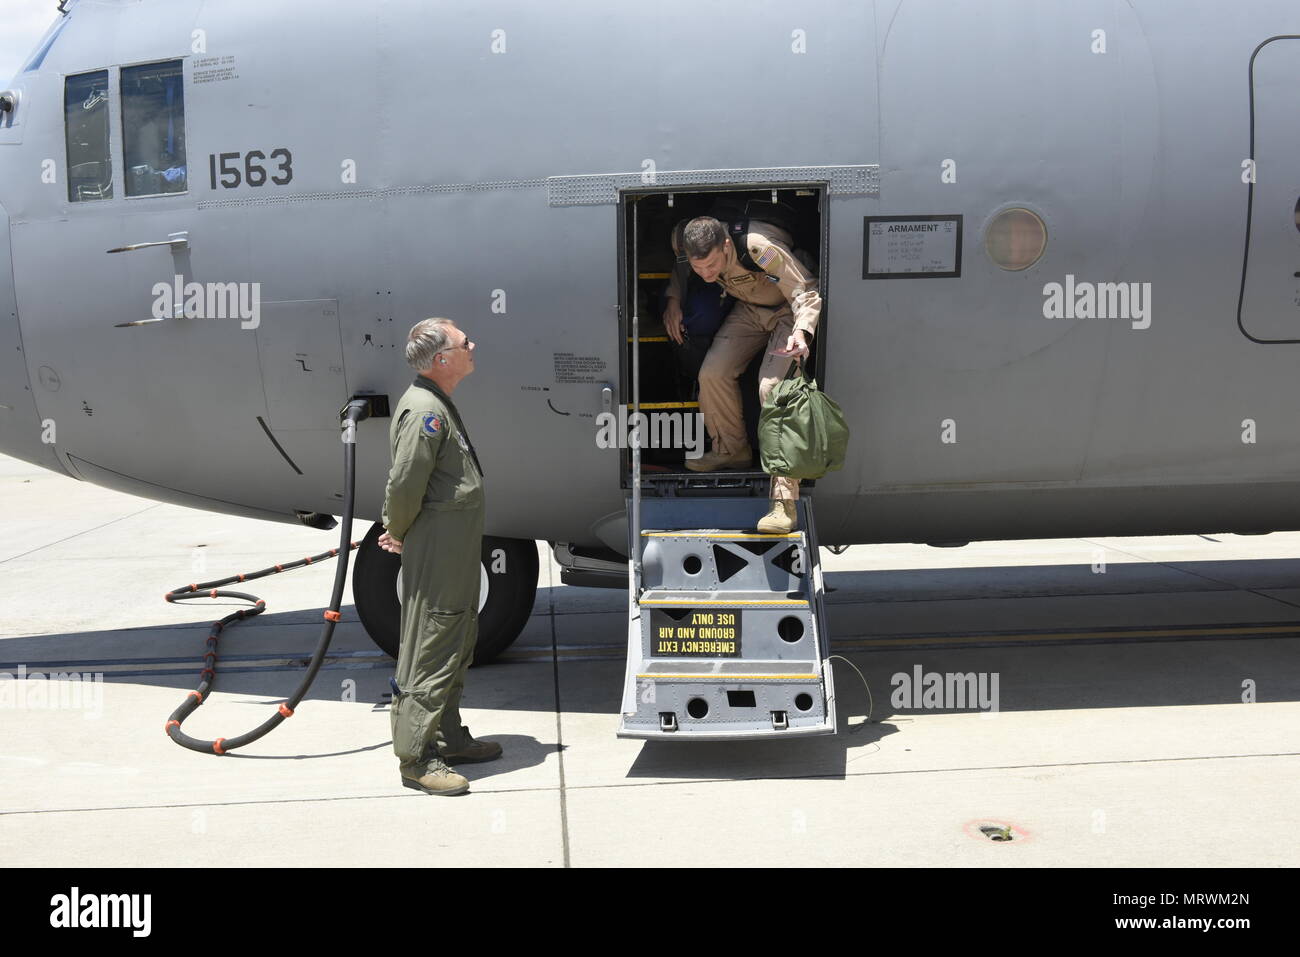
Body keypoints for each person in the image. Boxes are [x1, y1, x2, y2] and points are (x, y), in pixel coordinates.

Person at [378, 318, 500, 796]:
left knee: (455, 638)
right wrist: (396, 528)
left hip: (455, 551)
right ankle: (417, 758)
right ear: (443, 359)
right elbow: (405, 480)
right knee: (431, 644)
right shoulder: (425, 411)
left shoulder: (438, 404)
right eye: (464, 341)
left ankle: (447, 737)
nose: (473, 344)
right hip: (438, 553)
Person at [662, 216, 822, 533]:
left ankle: (783, 502)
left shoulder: (759, 249)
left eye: (711, 266)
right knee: (712, 374)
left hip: (786, 312)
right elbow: (681, 268)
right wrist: (673, 299)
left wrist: (802, 332)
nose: (706, 275)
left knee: (773, 389)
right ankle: (731, 450)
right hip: (749, 310)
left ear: (725, 245)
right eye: (699, 269)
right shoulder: (685, 239)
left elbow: (806, 291)